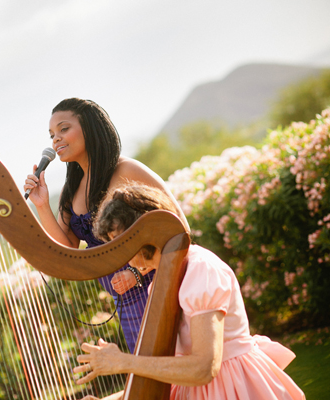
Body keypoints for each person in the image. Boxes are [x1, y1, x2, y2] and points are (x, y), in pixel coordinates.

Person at [73, 183, 305, 400]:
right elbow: (171, 369)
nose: (119, 252)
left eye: (121, 241)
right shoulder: (164, 278)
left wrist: (123, 362)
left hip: (231, 386)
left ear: (145, 231)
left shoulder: (200, 269)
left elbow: (204, 369)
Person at [23, 98, 189, 352]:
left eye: (64, 129)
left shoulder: (127, 170)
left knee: (178, 364)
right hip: (125, 302)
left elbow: (178, 227)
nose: (56, 139)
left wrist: (137, 273)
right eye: (52, 135)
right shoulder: (71, 190)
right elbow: (65, 247)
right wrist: (41, 205)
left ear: (90, 128)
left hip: (160, 287)